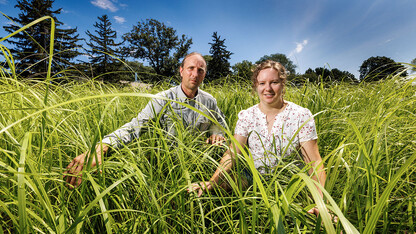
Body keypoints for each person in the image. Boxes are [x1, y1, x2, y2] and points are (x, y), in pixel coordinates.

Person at [65, 52, 227, 188]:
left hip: (198, 170)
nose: (195, 74)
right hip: (166, 170)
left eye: (200, 70)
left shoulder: (209, 101)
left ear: (204, 74)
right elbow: (135, 127)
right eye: (191, 68)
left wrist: (216, 134)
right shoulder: (163, 99)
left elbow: (219, 124)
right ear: (181, 71)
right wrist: (102, 147)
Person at [188, 60, 327, 217]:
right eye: (262, 83)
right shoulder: (247, 115)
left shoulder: (301, 115)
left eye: (274, 82)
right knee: (210, 193)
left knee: (318, 219)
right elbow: (233, 152)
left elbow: (314, 162)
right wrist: (213, 181)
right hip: (253, 177)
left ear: (283, 84)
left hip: (288, 181)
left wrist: (321, 202)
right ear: (256, 86)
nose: (267, 88)